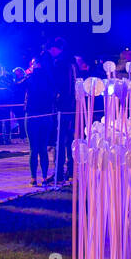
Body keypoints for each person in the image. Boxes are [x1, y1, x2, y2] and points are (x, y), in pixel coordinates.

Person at [18, 51, 56, 186]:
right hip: (46, 115)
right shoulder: (50, 78)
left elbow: (18, 86)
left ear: (36, 64)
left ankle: (33, 178)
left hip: (33, 114)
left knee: (33, 149)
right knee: (43, 148)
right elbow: (54, 94)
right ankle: (44, 177)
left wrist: (27, 73)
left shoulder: (30, 77)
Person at [48, 38, 77, 185]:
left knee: (60, 142)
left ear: (58, 48)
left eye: (51, 48)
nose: (49, 51)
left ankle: (59, 173)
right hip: (70, 108)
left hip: (63, 108)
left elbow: (60, 86)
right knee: (69, 142)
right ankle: (70, 171)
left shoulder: (60, 64)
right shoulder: (71, 63)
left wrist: (57, 99)